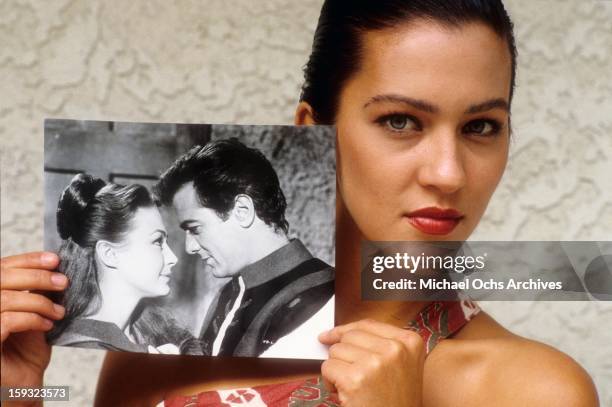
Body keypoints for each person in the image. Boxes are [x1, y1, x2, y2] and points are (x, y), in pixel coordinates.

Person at [0, 0, 600, 406]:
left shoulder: (532, 389)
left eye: (481, 127)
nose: (448, 174)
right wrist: (21, 394)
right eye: (400, 121)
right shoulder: (171, 334)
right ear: (315, 129)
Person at [154, 138, 334, 357]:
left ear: (242, 210)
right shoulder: (230, 292)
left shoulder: (326, 299)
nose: (190, 247)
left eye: (195, 228)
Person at [46, 173, 184, 353]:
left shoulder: (151, 332)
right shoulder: (82, 347)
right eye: (157, 242)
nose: (173, 258)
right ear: (110, 254)